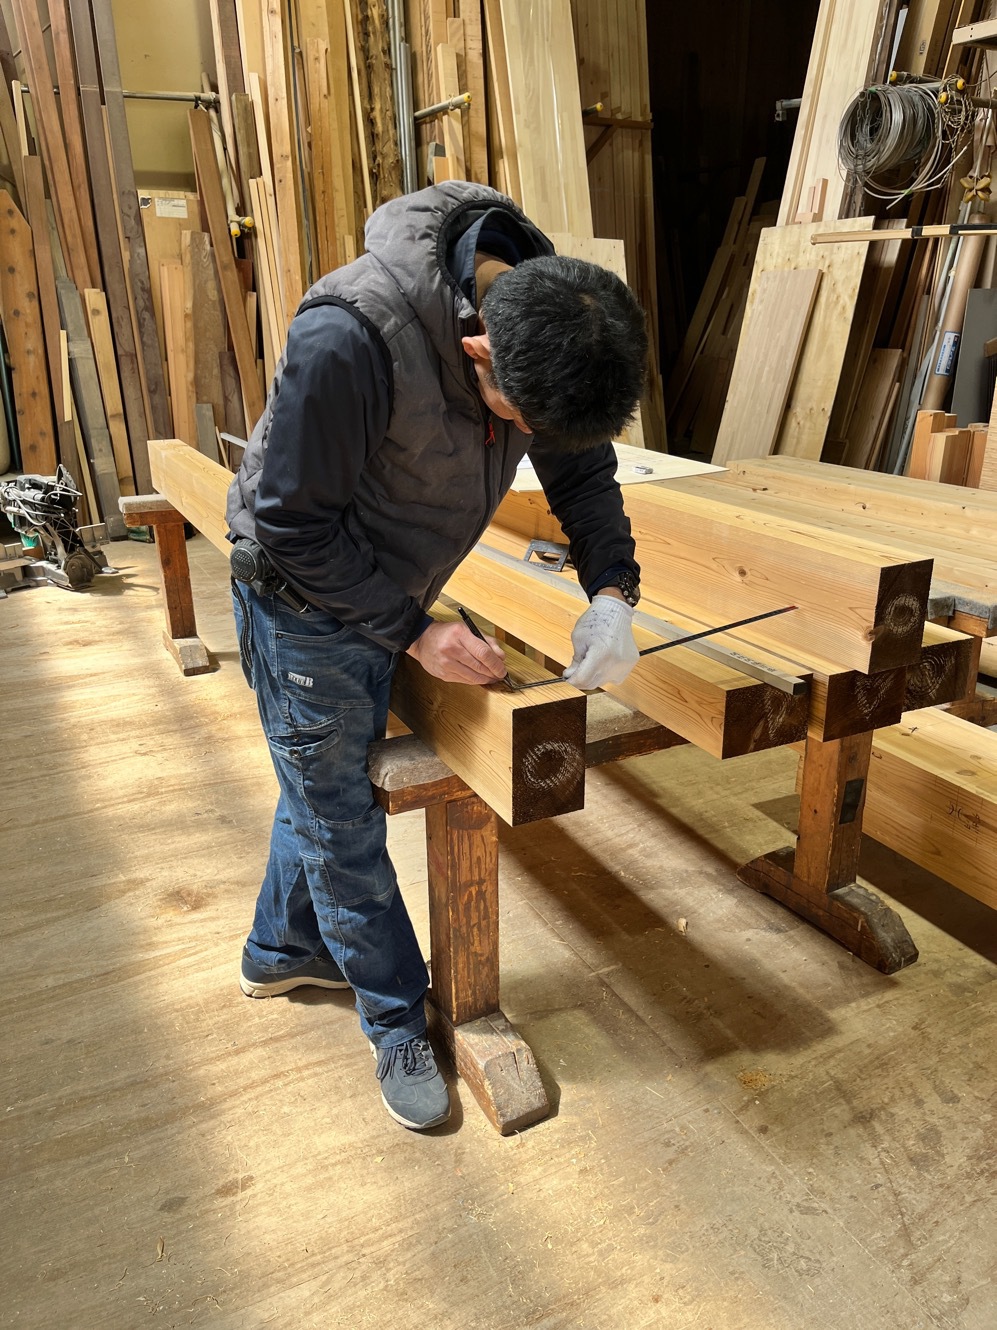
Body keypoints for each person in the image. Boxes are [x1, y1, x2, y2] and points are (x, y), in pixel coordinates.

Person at [226, 180, 647, 1131]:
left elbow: (583, 476)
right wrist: (414, 630)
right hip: (300, 593)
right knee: (340, 819)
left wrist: (612, 595)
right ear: (477, 349)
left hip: (389, 583)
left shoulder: (552, 319)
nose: (525, 440)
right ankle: (394, 1018)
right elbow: (291, 525)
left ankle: (278, 950)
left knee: (318, 778)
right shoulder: (351, 335)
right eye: (517, 418)